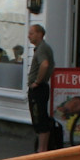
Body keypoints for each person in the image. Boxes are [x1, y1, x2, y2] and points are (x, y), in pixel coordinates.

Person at [26, 24, 56, 152]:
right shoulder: (41, 48)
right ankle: (42, 147)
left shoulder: (42, 49)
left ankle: (42, 149)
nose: (29, 36)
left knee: (40, 118)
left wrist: (37, 82)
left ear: (39, 34)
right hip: (40, 88)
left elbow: (44, 64)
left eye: (31, 33)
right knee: (39, 116)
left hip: (39, 89)